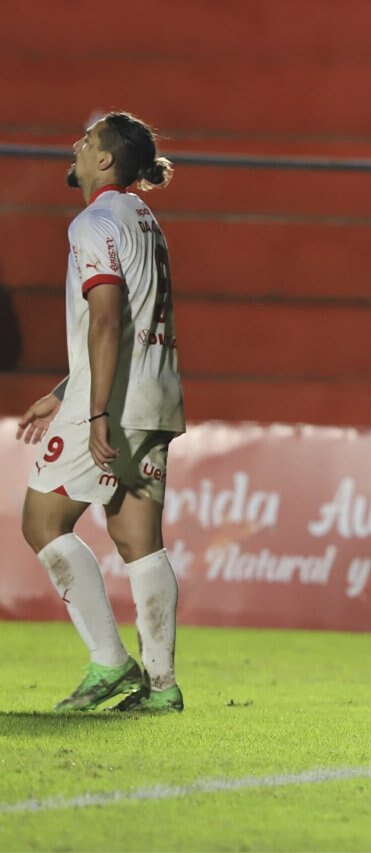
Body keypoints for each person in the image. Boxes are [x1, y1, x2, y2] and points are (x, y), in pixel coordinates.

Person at [15, 112, 186, 713]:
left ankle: (110, 665)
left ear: (106, 160)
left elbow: (108, 318)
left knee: (42, 522)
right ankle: (162, 688)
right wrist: (64, 391)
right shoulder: (144, 219)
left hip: (112, 403)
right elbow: (129, 322)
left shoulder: (94, 221)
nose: (77, 148)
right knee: (138, 538)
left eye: (87, 142)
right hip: (156, 396)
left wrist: (92, 413)